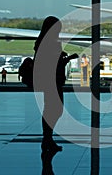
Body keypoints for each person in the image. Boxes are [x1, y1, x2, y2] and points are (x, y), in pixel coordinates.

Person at [33, 16, 78, 154]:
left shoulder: (42, 42)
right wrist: (68, 58)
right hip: (53, 81)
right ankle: (47, 139)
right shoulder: (52, 42)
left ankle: (47, 138)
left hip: (48, 81)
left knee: (51, 110)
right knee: (55, 110)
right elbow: (54, 65)